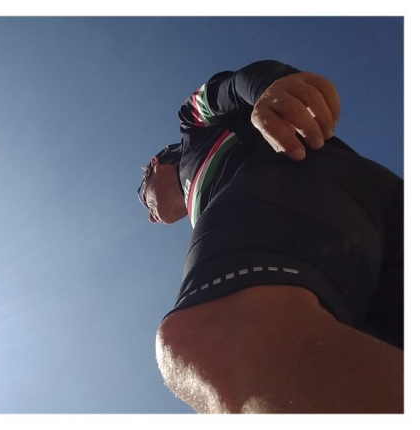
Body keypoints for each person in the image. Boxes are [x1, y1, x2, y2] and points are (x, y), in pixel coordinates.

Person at [137, 60, 403, 413]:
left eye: (143, 199)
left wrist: (269, 87)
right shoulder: (210, 207)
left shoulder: (192, 130)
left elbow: (232, 88)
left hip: (297, 183)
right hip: (366, 218)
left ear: (155, 163)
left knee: (212, 335)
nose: (150, 217)